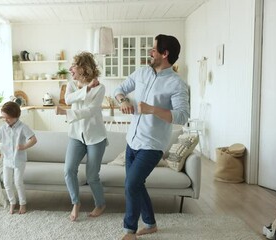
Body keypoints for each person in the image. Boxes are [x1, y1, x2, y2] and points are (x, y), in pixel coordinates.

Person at [114, 34, 189, 239]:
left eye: (154, 49)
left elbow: (182, 116)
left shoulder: (176, 83)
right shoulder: (141, 73)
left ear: (165, 54)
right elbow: (119, 89)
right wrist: (122, 100)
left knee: (131, 185)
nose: (150, 51)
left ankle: (129, 230)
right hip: (132, 141)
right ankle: (150, 223)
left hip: (152, 145)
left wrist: (152, 109)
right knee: (136, 184)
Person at [55, 51, 108, 221]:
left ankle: (100, 204)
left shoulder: (100, 87)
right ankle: (75, 202)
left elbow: (90, 111)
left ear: (83, 68)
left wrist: (66, 113)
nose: (70, 69)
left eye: (74, 66)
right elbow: (68, 99)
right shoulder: (71, 84)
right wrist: (86, 88)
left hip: (96, 137)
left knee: (92, 176)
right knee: (69, 170)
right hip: (76, 136)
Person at [0, 101, 37, 214]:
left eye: (8, 118)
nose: (6, 120)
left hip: (19, 160)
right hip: (7, 160)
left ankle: (22, 203)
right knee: (7, 182)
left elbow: (33, 140)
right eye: (4, 118)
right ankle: (12, 202)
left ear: (15, 116)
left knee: (18, 182)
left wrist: (24, 146)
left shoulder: (23, 127)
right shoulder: (3, 128)